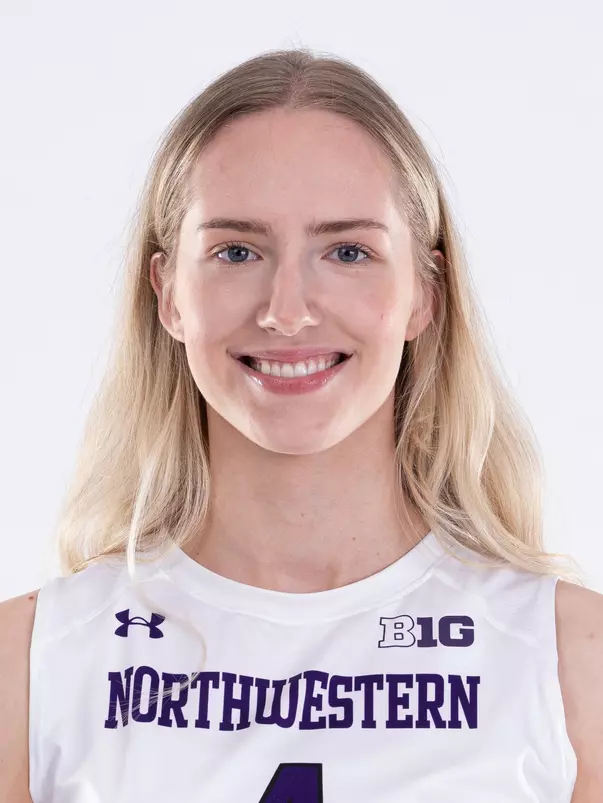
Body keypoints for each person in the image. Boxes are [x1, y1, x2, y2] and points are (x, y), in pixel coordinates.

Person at [1, 47, 601, 803]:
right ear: (168, 293)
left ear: (424, 291)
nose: (286, 309)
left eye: (347, 251)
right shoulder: (31, 666)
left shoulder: (571, 664)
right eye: (236, 251)